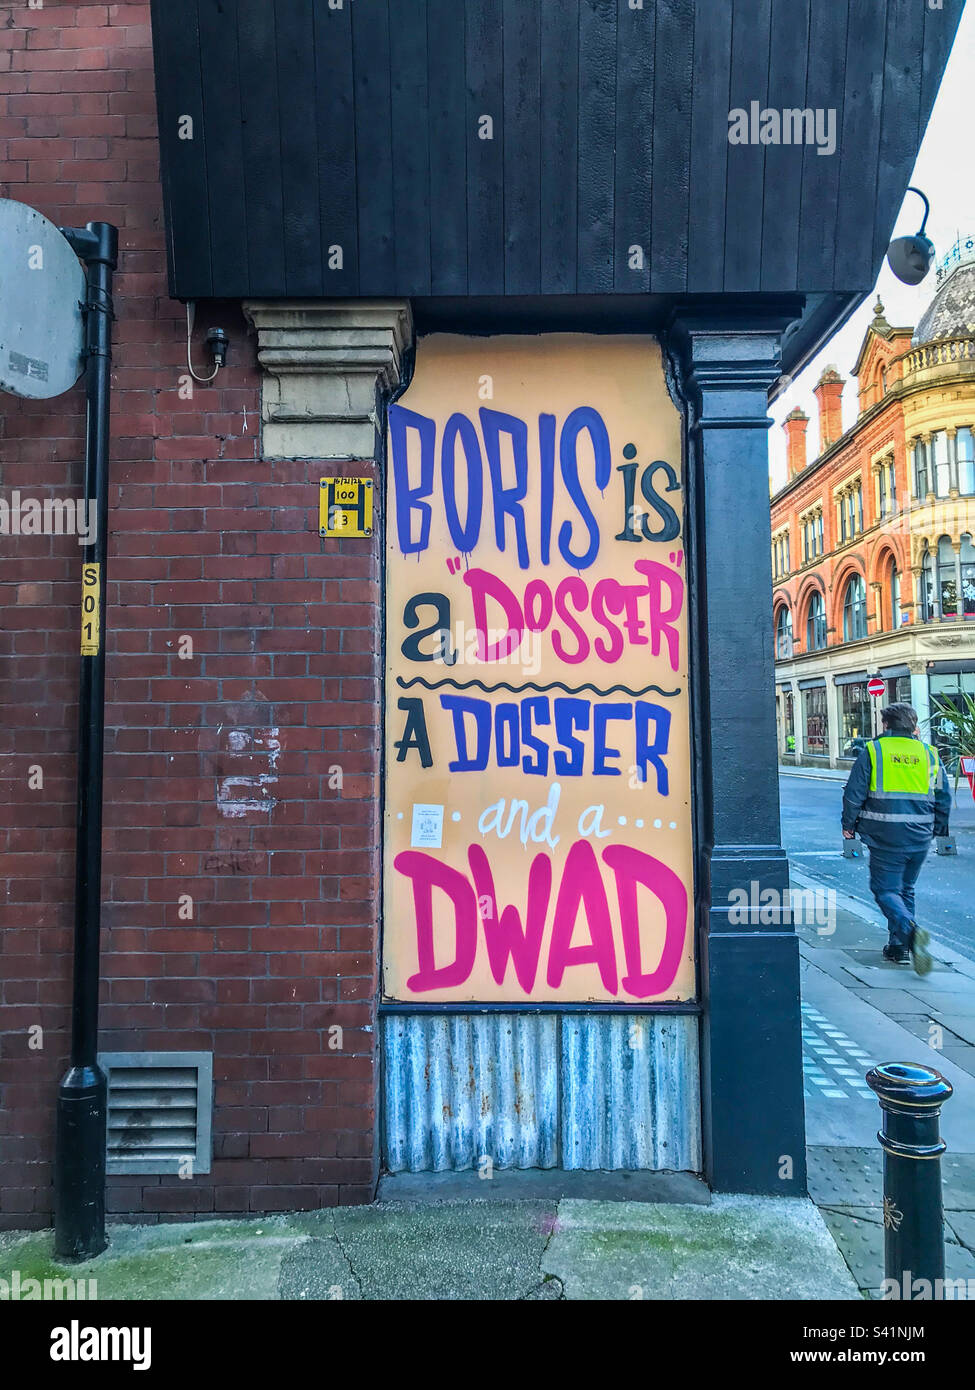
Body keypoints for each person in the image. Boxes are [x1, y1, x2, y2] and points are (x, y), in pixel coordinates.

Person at [841, 702, 950, 973]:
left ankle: (910, 934)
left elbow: (854, 793)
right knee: (905, 889)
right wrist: (939, 828)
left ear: (886, 725)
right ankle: (899, 948)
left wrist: (849, 824)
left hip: (885, 833)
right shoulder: (929, 754)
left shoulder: (874, 750)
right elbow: (943, 796)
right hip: (920, 834)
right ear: (913, 726)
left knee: (885, 890)